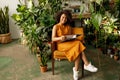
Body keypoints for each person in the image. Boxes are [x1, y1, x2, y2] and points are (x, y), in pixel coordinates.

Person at [52, 10, 98, 80]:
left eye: (66, 18)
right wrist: (60, 38)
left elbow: (70, 37)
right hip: (60, 45)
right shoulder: (56, 26)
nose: (64, 19)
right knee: (78, 46)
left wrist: (73, 37)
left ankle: (76, 70)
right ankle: (86, 64)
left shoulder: (68, 27)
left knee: (78, 46)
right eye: (63, 17)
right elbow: (53, 39)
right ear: (60, 17)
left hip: (68, 43)